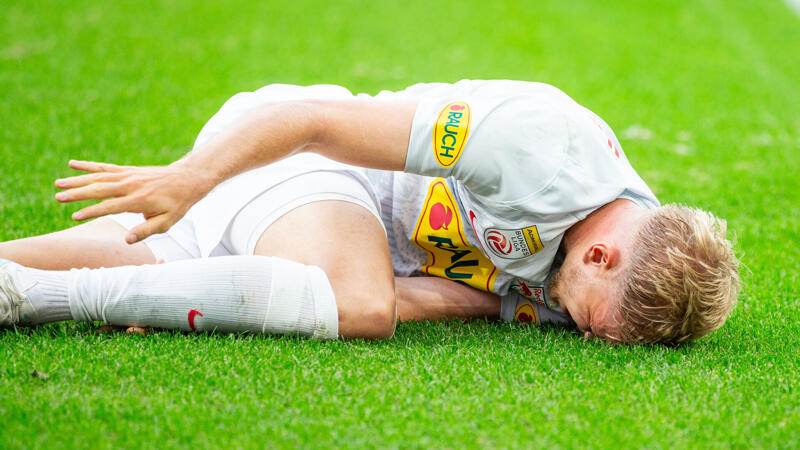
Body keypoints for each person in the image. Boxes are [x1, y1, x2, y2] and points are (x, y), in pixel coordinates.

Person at [0, 80, 740, 344]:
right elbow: (314, 119)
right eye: (593, 326)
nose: (584, 335)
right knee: (359, 302)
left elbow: (442, 298)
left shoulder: (614, 264)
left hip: (311, 235)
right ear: (601, 255)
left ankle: (16, 279)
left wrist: (183, 302)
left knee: (158, 265)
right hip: (297, 157)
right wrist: (191, 178)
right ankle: (44, 300)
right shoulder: (536, 149)